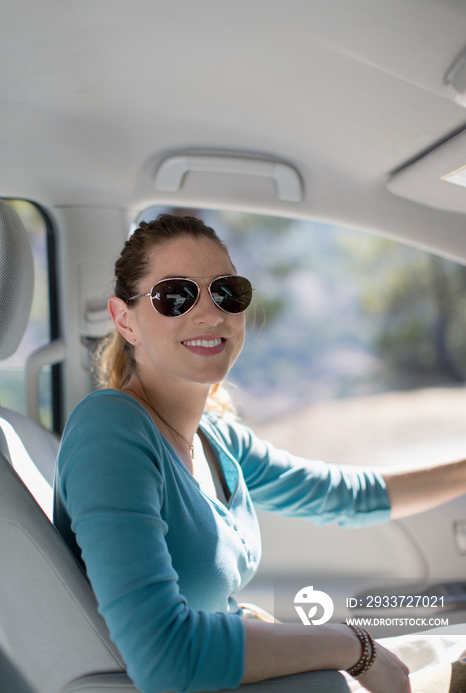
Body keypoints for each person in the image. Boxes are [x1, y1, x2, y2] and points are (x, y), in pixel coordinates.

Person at [53, 214, 466, 693]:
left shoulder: (217, 438)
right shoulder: (111, 430)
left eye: (227, 291)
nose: (210, 313)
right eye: (175, 296)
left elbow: (348, 496)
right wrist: (352, 645)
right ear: (126, 321)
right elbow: (167, 657)